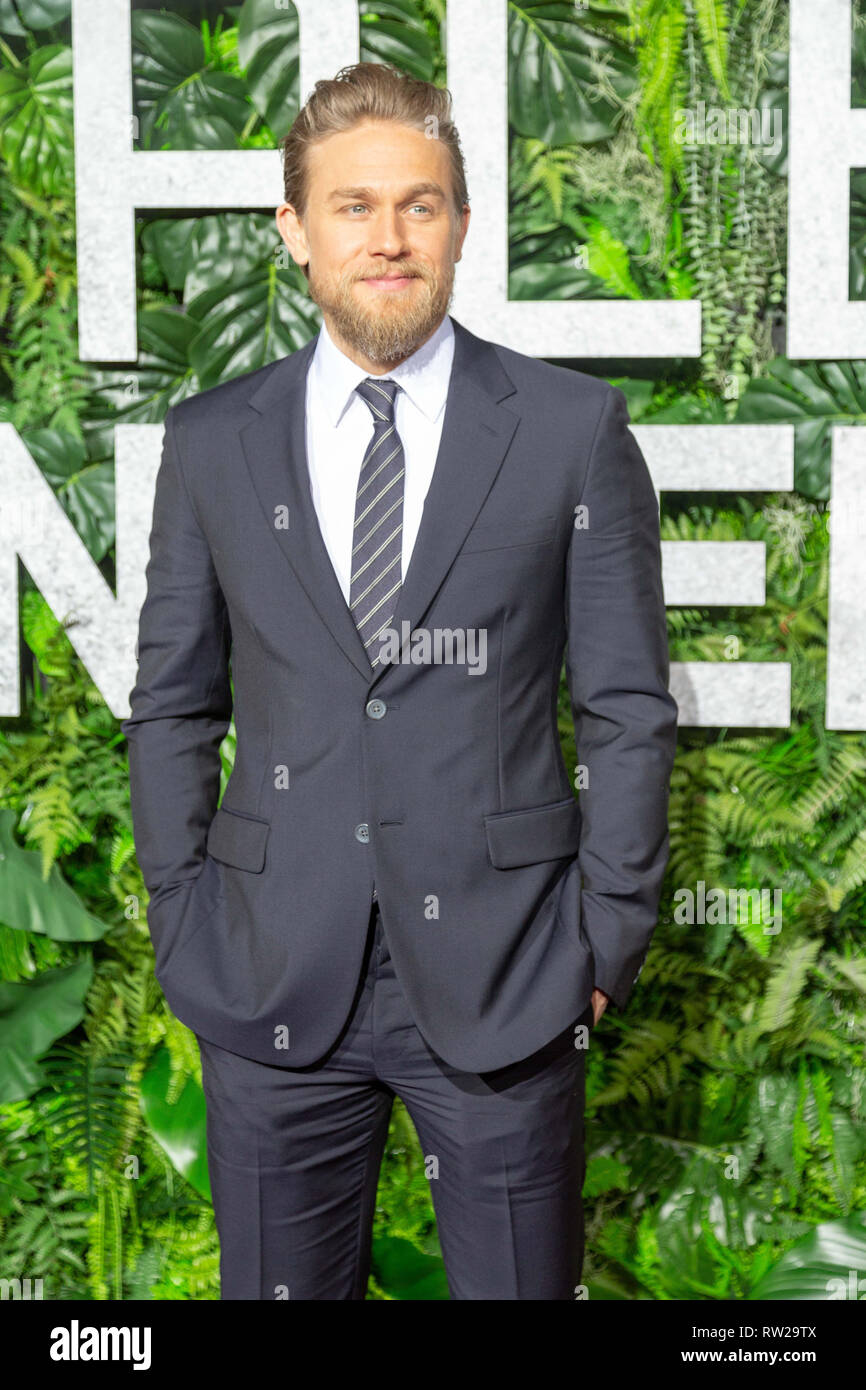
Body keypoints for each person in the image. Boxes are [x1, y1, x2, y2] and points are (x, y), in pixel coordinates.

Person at [121, 61, 678, 1300]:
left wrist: (602, 935)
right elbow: (172, 701)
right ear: (294, 231)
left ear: (462, 225)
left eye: (419, 205)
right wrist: (181, 914)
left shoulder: (567, 429)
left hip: (509, 977)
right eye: (354, 206)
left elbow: (627, 708)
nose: (388, 237)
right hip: (266, 974)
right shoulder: (213, 442)